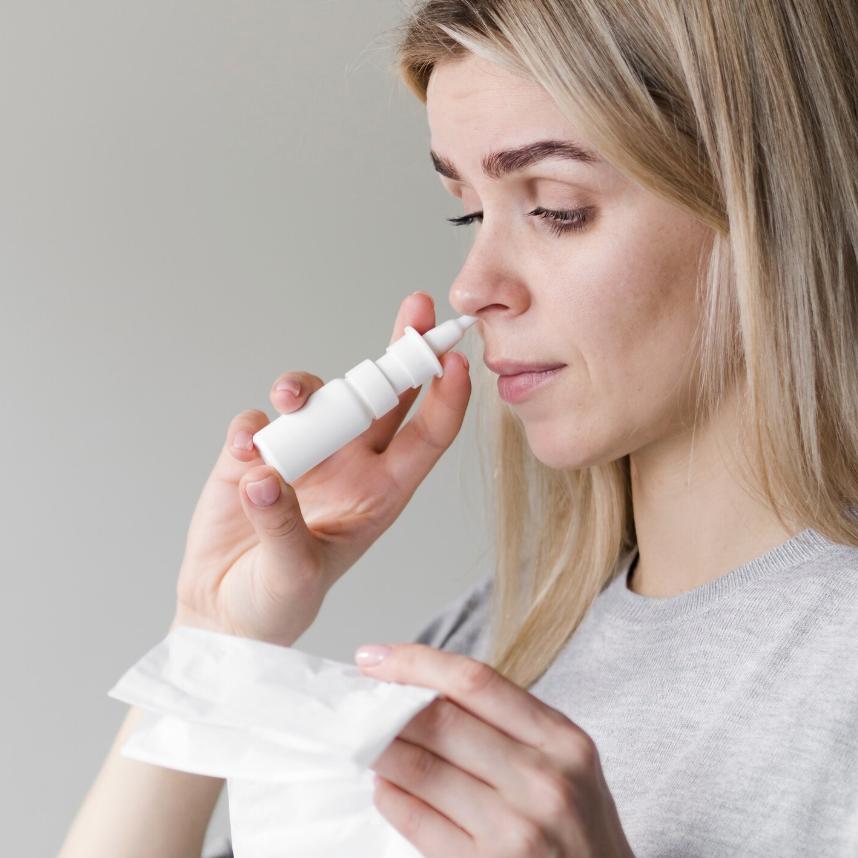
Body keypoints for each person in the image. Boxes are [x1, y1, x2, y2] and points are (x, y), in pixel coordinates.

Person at [59, 0, 858, 856]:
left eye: (555, 207)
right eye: (469, 211)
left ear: (769, 205)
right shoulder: (496, 636)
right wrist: (216, 637)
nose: (473, 287)